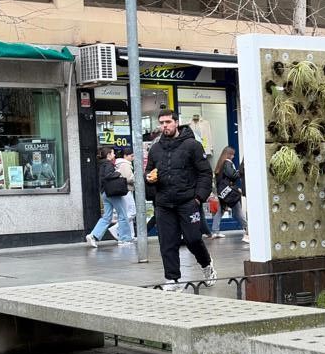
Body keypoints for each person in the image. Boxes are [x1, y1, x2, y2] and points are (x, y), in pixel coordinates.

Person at [146, 110, 215, 289]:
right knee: (167, 243)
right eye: (161, 123)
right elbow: (149, 172)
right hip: (164, 203)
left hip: (188, 202)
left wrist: (199, 198)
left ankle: (206, 265)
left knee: (193, 239)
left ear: (176, 122)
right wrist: (149, 179)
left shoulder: (192, 145)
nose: (164, 126)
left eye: (168, 122)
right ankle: (173, 279)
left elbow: (205, 173)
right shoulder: (155, 148)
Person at [86, 146, 132, 245]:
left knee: (107, 217)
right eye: (112, 153)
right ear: (108, 155)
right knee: (123, 215)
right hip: (113, 193)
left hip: (104, 193)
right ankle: (124, 239)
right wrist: (118, 172)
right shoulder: (108, 164)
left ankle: (93, 235)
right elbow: (108, 175)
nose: (114, 155)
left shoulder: (101, 164)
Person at [211, 145, 242, 237]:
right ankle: (248, 228)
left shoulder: (220, 163)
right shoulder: (227, 163)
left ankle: (215, 231)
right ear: (229, 155)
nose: (233, 156)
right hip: (229, 192)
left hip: (223, 192)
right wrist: (239, 172)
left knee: (220, 211)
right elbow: (232, 175)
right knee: (238, 211)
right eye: (232, 154)